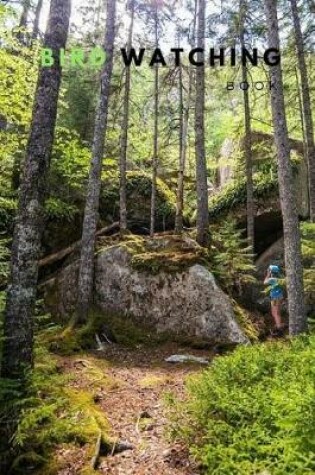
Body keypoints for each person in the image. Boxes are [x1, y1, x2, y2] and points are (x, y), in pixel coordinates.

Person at [264, 264, 285, 336]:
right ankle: (278, 325)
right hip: (279, 297)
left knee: (275, 313)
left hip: (274, 298)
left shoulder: (272, 279)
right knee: (275, 312)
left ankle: (279, 330)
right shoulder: (279, 278)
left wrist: (268, 274)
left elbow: (265, 282)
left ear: (271, 272)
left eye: (269, 270)